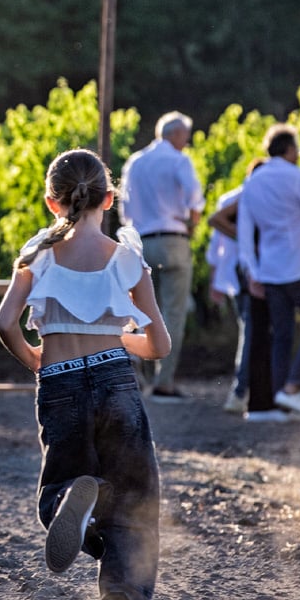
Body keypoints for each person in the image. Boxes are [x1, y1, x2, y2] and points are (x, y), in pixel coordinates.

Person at [0, 149, 170, 600]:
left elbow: (6, 323)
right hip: (116, 382)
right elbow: (159, 345)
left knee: (60, 484)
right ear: (108, 200)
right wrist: (120, 342)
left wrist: (36, 359)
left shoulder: (37, 256)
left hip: (61, 382)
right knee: (136, 504)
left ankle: (80, 509)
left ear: (53, 202)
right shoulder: (127, 258)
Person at [237, 124, 300, 421]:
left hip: (269, 270)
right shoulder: (296, 177)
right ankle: (292, 388)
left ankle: (281, 401)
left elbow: (244, 234)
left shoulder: (252, 183)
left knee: (282, 335)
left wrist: (252, 272)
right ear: (290, 150)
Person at [119, 111, 204, 401]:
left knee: (137, 309)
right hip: (173, 239)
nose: (187, 142)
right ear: (177, 135)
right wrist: (192, 224)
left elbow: (125, 210)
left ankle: (136, 373)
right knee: (173, 312)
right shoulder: (180, 160)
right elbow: (195, 196)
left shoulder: (135, 162)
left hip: (139, 241)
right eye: (186, 136)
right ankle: (163, 381)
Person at [206, 187, 250, 414]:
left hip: (234, 272)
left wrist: (216, 278)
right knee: (251, 331)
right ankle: (241, 390)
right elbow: (218, 241)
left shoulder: (229, 198)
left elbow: (216, 246)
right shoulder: (247, 197)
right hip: (249, 271)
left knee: (247, 329)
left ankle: (243, 390)